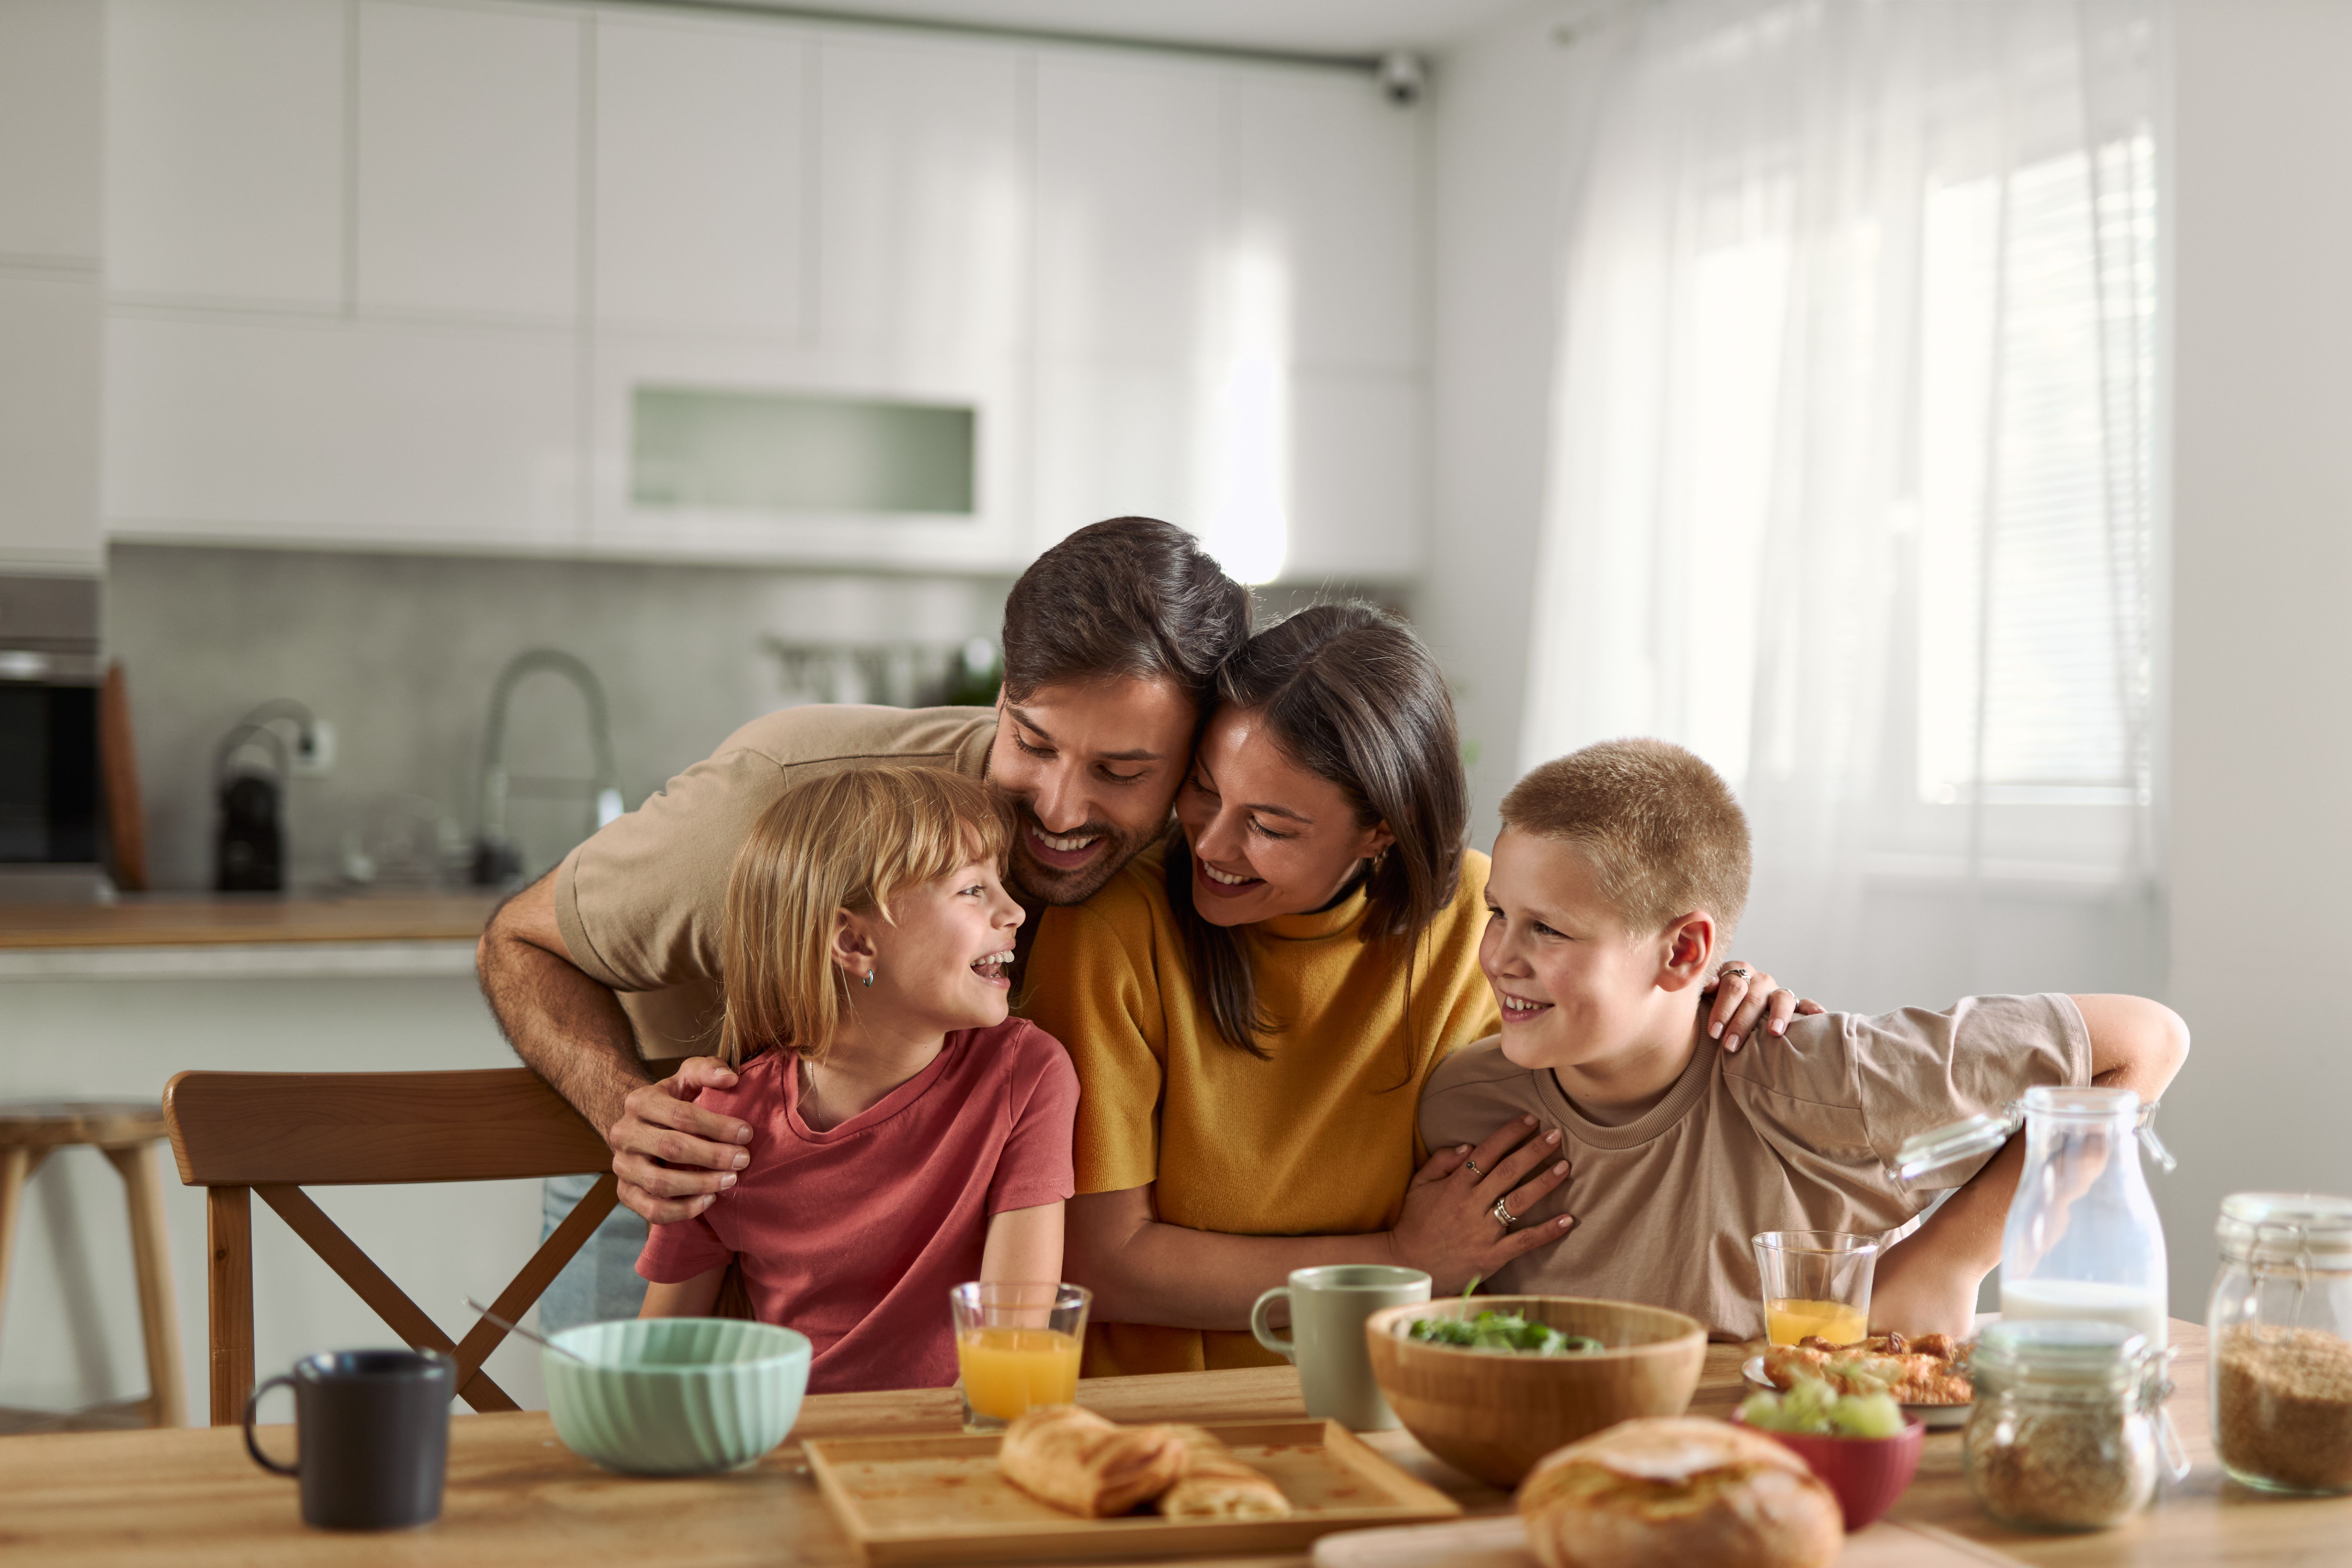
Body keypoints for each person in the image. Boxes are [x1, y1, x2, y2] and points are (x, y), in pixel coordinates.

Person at [476, 516, 1248, 1328]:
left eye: (1122, 773)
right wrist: (625, 1111)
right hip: (686, 1180)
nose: (1060, 810)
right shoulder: (773, 811)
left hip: (928, 1235)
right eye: (1032, 744)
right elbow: (519, 940)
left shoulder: (1192, 854)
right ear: (1002, 698)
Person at [1021, 606, 1806, 1375]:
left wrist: (1714, 989)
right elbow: (1102, 1261)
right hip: (1169, 1404)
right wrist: (1399, 1260)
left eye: (1271, 825)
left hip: (1407, 1386)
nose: (1213, 844)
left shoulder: (1486, 912)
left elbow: (1625, 1007)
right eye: (1203, 790)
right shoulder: (1113, 926)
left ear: (1381, 833)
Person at [1418, 739, 2191, 1342]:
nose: (1499, 957)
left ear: (1685, 953)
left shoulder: (1825, 1080)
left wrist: (1951, 1260)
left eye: (1547, 929)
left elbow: (2145, 1043)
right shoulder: (1466, 1110)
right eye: (1497, 915)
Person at [636, 766, 1074, 1393]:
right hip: (786, 1453)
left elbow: (1011, 1356)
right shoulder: (725, 1124)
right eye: (972, 890)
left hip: (956, 1454)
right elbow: (658, 1362)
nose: (1015, 911)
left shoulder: (1026, 1076)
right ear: (853, 941)